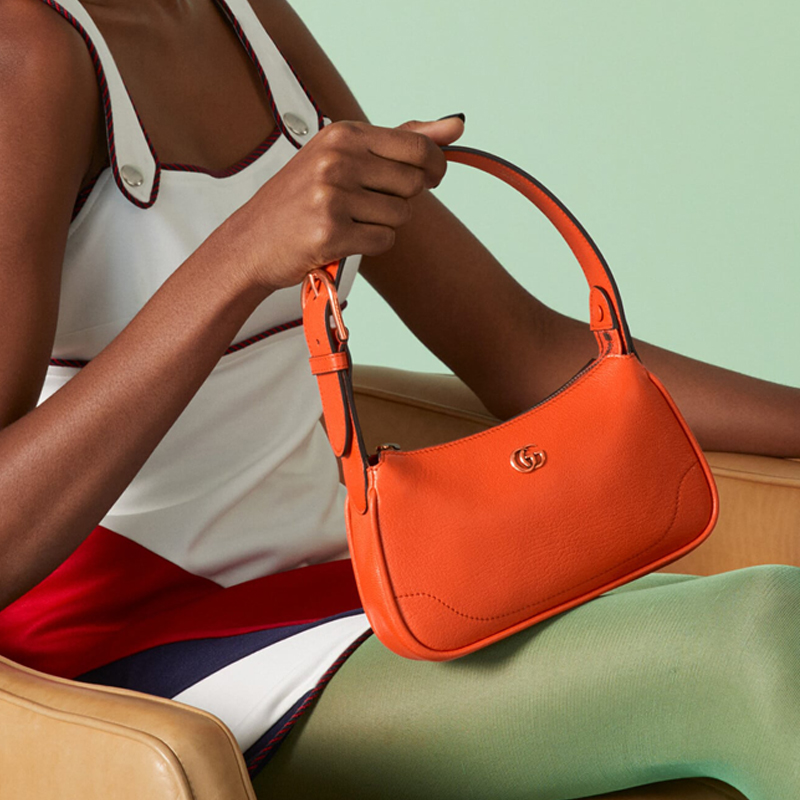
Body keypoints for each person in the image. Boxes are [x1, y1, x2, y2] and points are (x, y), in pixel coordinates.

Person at [0, 0, 798, 798]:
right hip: (135, 655)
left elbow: (523, 349)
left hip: (365, 593)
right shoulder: (27, 53)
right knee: (756, 640)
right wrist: (240, 255)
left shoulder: (248, 20)